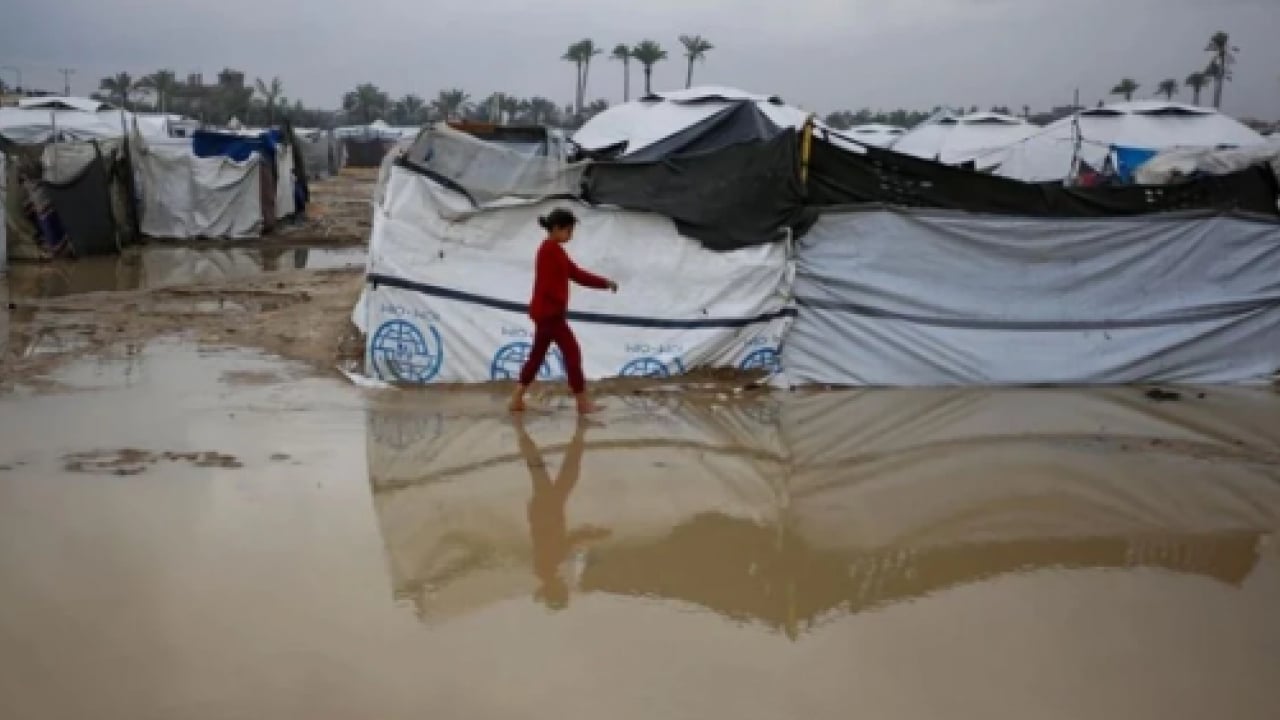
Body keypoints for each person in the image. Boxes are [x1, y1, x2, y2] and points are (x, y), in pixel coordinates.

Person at [509, 208, 617, 415]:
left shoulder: (554, 250)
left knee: (537, 357)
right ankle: (583, 403)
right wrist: (558, 303)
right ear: (557, 228)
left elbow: (575, 273)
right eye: (569, 231)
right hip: (551, 316)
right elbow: (548, 285)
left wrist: (603, 283)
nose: (571, 236)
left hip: (547, 315)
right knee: (572, 354)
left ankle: (516, 398)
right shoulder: (549, 250)